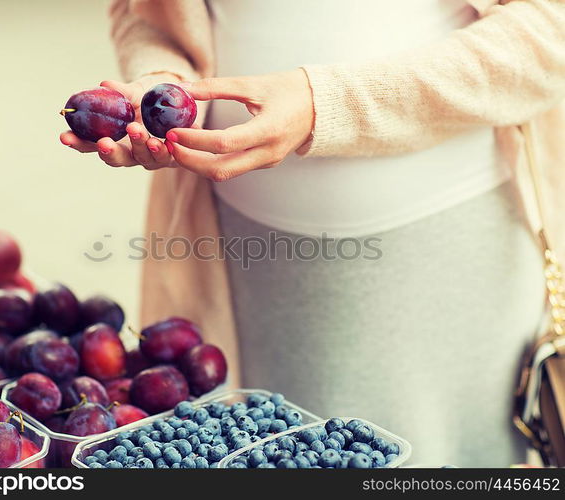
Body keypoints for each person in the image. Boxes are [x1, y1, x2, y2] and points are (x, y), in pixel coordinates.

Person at [61, 0, 565, 466]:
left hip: (441, 256)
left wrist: (322, 102)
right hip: (236, 253)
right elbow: (145, 14)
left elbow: (551, 32)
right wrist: (160, 82)